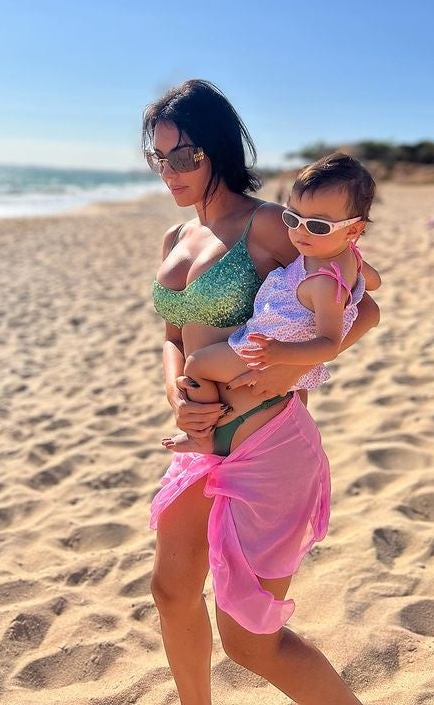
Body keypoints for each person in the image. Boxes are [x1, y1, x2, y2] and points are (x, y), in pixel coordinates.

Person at [145, 79, 379, 705]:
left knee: (251, 643)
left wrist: (290, 369)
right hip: (200, 445)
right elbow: (173, 338)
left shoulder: (274, 224)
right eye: (158, 157)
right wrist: (177, 399)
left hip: (267, 442)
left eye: (183, 155)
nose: (169, 171)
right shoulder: (175, 238)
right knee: (170, 591)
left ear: (218, 148)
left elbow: (363, 305)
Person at [162, 152, 381, 455]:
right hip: (258, 355)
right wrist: (175, 395)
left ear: (353, 230)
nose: (300, 232)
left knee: (197, 364)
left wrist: (285, 361)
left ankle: (201, 438)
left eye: (317, 226)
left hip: (265, 386)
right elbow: (374, 281)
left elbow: (340, 335)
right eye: (292, 218)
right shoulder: (338, 256)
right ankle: (202, 433)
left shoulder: (323, 279)